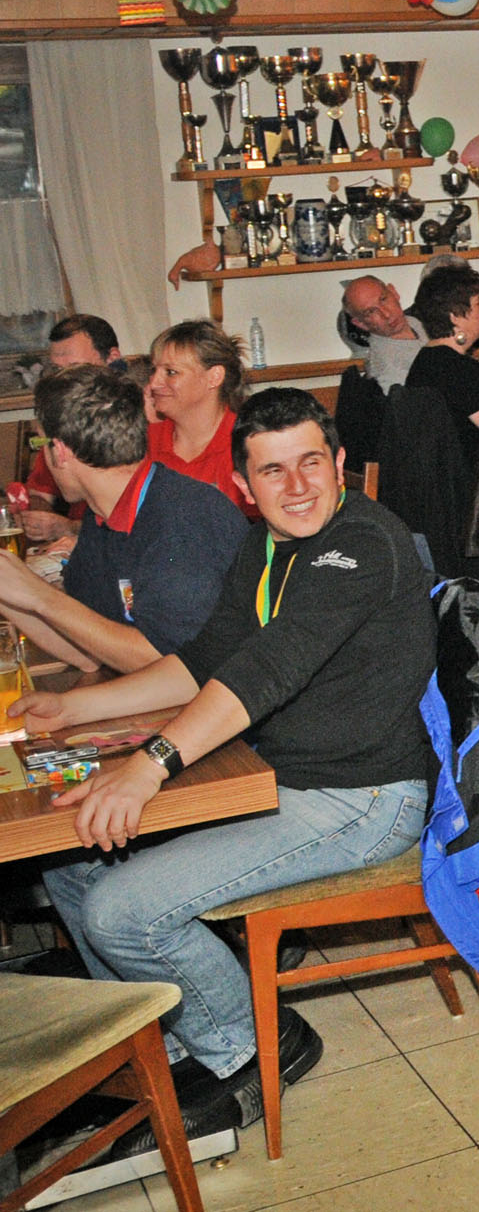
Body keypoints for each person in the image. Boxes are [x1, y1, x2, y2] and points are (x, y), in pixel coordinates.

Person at [16, 388, 437, 1146]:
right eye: (273, 471)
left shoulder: (361, 543)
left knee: (120, 911)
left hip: (360, 799)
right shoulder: (265, 543)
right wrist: (75, 706)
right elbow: (207, 659)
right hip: (278, 776)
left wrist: (150, 765)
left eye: (311, 463)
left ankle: (248, 1048)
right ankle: (161, 1045)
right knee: (75, 859)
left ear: (341, 463)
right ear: (243, 484)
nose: (297, 486)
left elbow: (267, 668)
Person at [0, 366, 244, 675]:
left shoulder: (185, 519)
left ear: (59, 451)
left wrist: (40, 595)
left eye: (39, 444)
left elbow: (171, 666)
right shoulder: (100, 516)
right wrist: (9, 593)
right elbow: (87, 651)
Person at [20, 314, 130, 540]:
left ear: (112, 359)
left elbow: (134, 526)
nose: (63, 380)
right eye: (57, 369)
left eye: (75, 368)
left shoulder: (132, 421)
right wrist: (41, 519)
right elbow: (39, 492)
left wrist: (69, 528)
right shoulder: (60, 422)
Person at [143, 321, 254, 515]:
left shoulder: (247, 443)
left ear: (214, 377)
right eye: (154, 370)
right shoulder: (144, 443)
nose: (154, 383)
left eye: (171, 372)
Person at [403, 263, 479, 465]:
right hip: (466, 478)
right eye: (478, 303)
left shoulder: (426, 360)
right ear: (455, 316)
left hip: (436, 477)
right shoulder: (459, 369)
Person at [339, 274, 426, 389]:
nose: (386, 314)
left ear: (394, 292)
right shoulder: (386, 369)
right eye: (371, 311)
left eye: (383, 299)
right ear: (360, 323)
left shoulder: (416, 321)